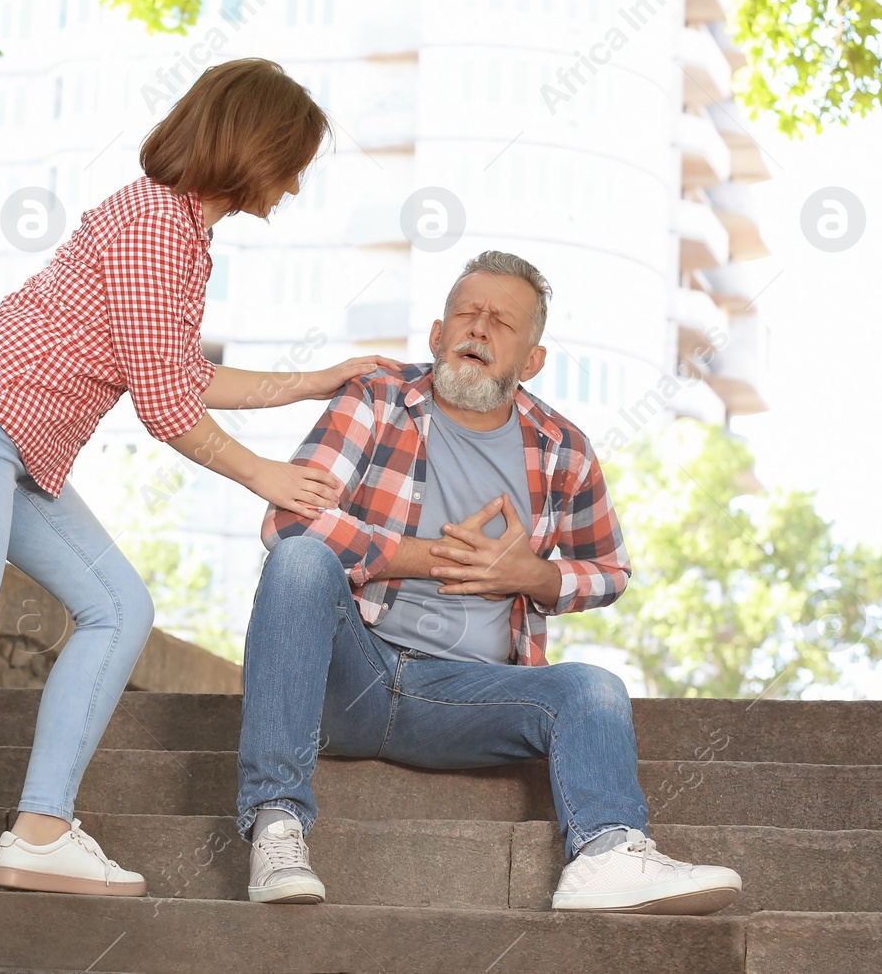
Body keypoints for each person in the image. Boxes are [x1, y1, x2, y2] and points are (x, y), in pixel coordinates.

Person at [0, 59, 396, 964]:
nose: (297, 180)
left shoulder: (178, 233)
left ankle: (39, 831)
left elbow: (182, 375)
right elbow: (168, 409)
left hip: (10, 447)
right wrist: (265, 477)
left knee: (120, 606)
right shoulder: (157, 225)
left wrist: (317, 379)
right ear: (255, 146)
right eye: (294, 159)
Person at [235, 250, 743, 914]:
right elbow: (290, 523)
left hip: (465, 699)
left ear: (530, 361)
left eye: (501, 322)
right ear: (437, 335)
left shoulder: (565, 448)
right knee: (300, 563)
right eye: (466, 314)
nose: (478, 329)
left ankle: (608, 856)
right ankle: (277, 826)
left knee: (592, 689)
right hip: (352, 674)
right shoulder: (377, 399)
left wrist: (531, 574)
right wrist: (422, 558)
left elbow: (610, 571)